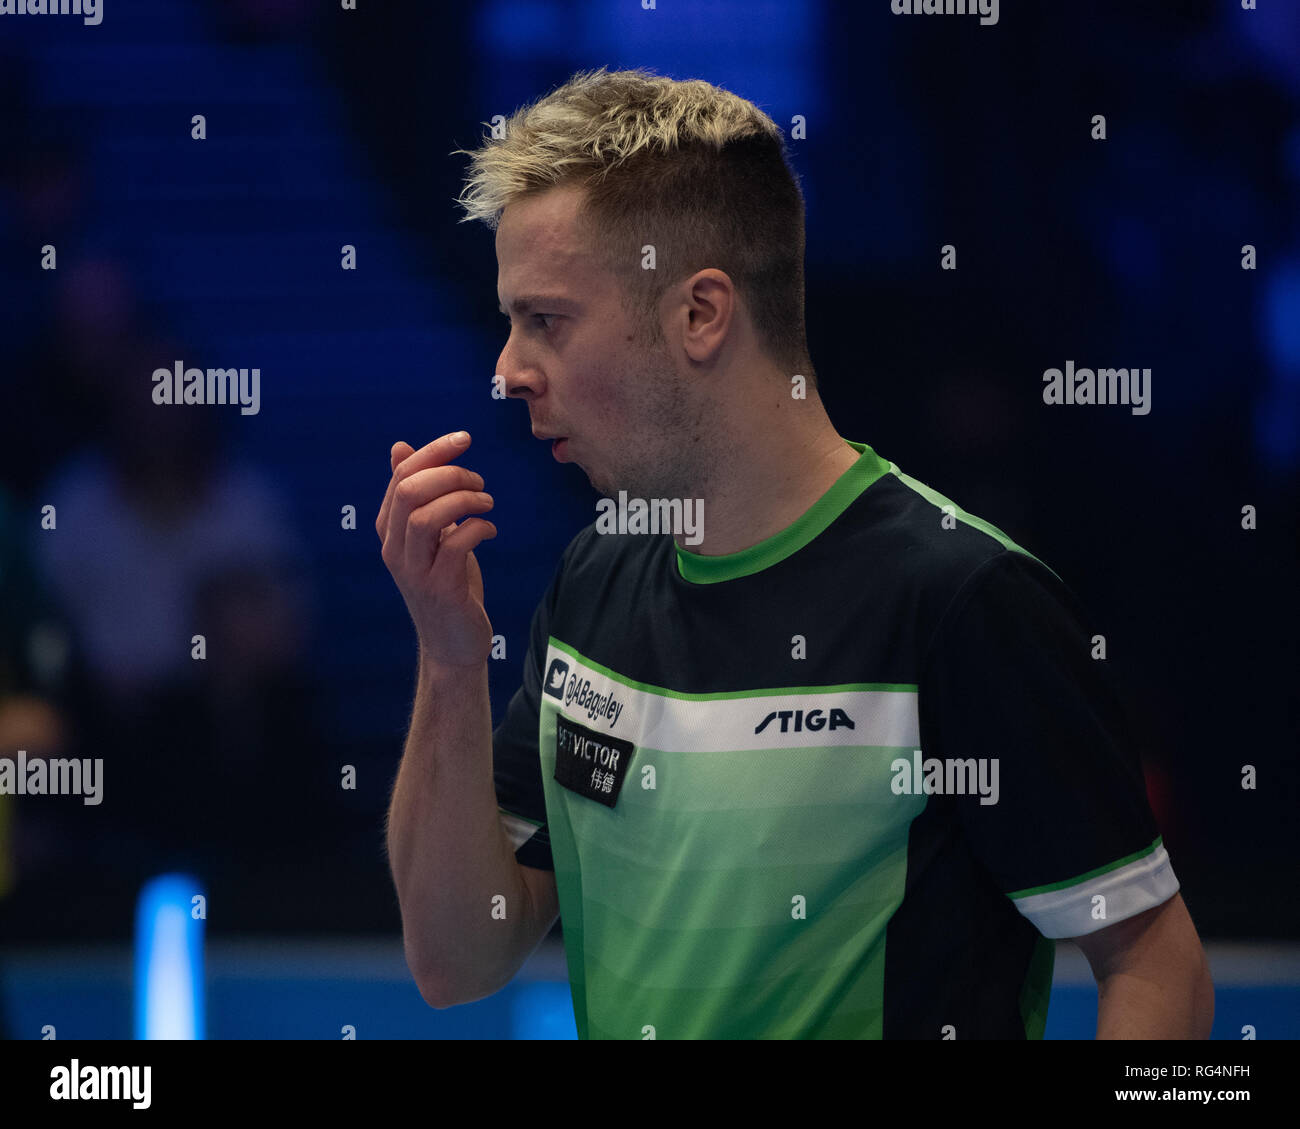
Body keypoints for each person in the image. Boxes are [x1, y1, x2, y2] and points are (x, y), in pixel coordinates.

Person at [377, 67, 1213, 1039]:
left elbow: (1154, 961)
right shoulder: (593, 579)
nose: (507, 370)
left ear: (700, 314)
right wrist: (445, 654)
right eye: (510, 322)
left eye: (546, 321)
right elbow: (456, 959)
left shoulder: (959, 596)